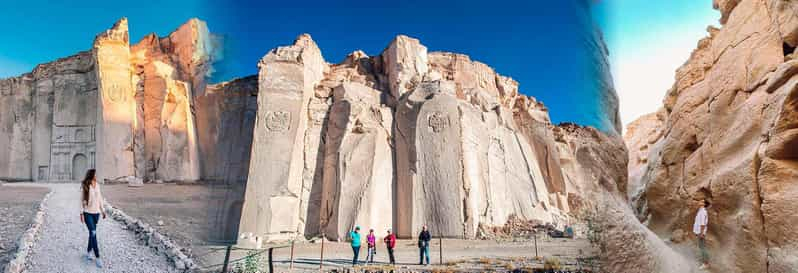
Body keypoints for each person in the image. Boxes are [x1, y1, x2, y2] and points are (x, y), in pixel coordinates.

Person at [79, 169, 106, 268]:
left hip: (96, 213)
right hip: (87, 213)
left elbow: (100, 198)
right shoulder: (85, 185)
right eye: (95, 174)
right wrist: (81, 213)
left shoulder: (97, 185)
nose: (96, 175)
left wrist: (103, 210)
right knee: (93, 233)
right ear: (91, 175)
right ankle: (98, 257)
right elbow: (81, 200)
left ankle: (88, 251)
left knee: (92, 233)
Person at [693, 199, 710, 269]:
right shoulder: (701, 211)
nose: (699, 201)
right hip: (700, 232)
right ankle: (704, 261)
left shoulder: (703, 212)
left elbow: (703, 224)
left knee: (703, 248)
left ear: (704, 204)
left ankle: (705, 263)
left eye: (701, 201)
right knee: (701, 247)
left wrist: (701, 233)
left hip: (701, 233)